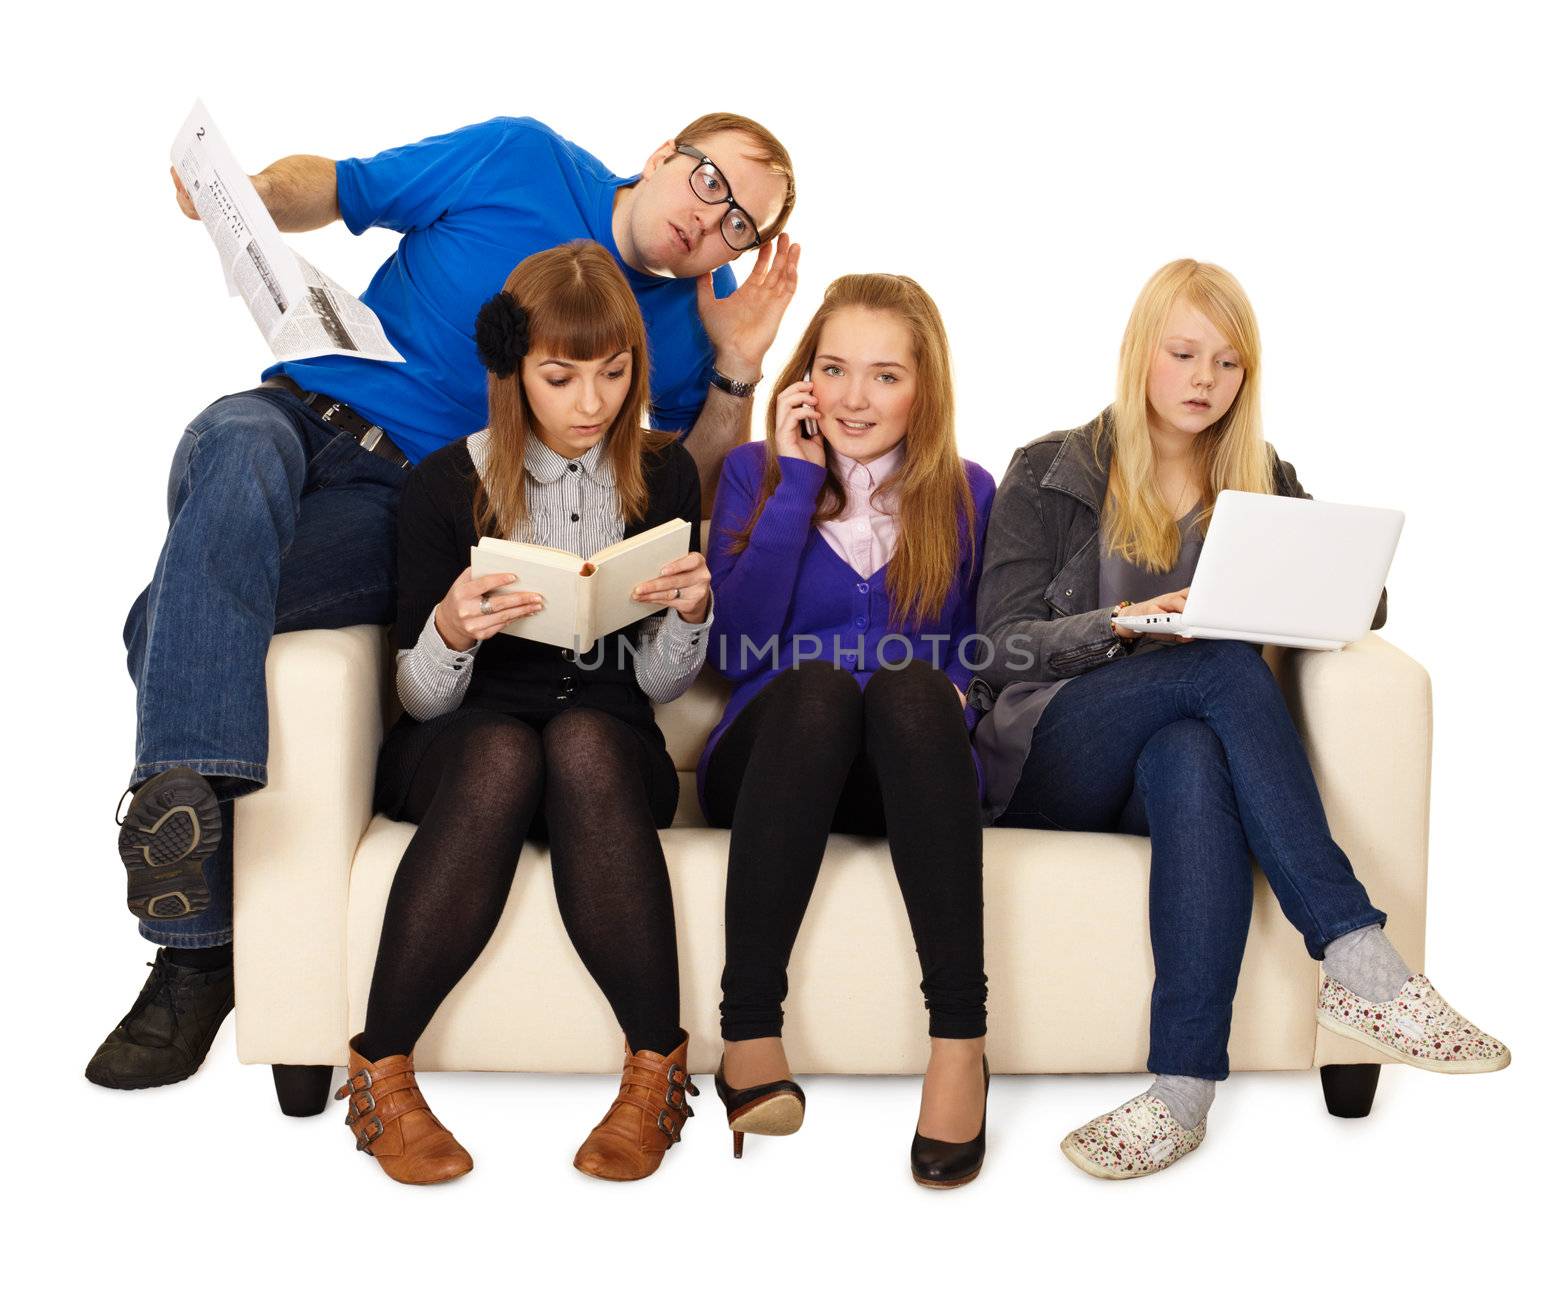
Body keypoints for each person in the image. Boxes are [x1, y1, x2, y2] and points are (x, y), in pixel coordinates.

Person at [89, 112, 799, 1091]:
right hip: (296, 412)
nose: (710, 223)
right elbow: (338, 187)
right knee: (233, 436)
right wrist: (244, 195)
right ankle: (190, 873)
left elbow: (681, 496)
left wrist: (734, 367)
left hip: (407, 504)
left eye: (742, 229)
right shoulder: (519, 157)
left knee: (160, 619)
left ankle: (193, 948)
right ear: (663, 155)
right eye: (710, 183)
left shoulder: (682, 329)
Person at [971, 259, 1509, 1180]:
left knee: (1189, 751)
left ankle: (1180, 1093)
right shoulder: (1050, 470)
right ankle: (1360, 959)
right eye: (1183, 354)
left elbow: (1364, 604)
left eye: (1227, 364)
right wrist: (1133, 622)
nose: (1204, 381)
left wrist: (1296, 569)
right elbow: (1001, 647)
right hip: (1050, 750)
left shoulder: (1261, 481)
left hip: (1158, 764)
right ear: (1142, 353)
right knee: (1214, 660)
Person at [339, 241, 712, 1184]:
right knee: (505, 748)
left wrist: (691, 616)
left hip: (609, 739)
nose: (591, 403)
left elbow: (662, 691)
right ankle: (381, 1069)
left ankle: (654, 1071)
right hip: (468, 743)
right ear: (514, 372)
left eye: (614, 374)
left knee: (585, 737)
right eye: (561, 376)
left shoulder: (665, 480)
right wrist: (452, 633)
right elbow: (419, 699)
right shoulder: (441, 488)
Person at [701, 274, 995, 1187]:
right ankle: (748, 1026)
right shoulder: (755, 476)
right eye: (834, 369)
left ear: (925, 388)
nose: (855, 399)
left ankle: (960, 1042)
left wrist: (953, 692)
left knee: (911, 689)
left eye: (883, 375)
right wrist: (796, 486)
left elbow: (986, 647)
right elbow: (731, 652)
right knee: (822, 686)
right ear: (805, 380)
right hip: (776, 750)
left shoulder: (970, 492)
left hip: (909, 765)